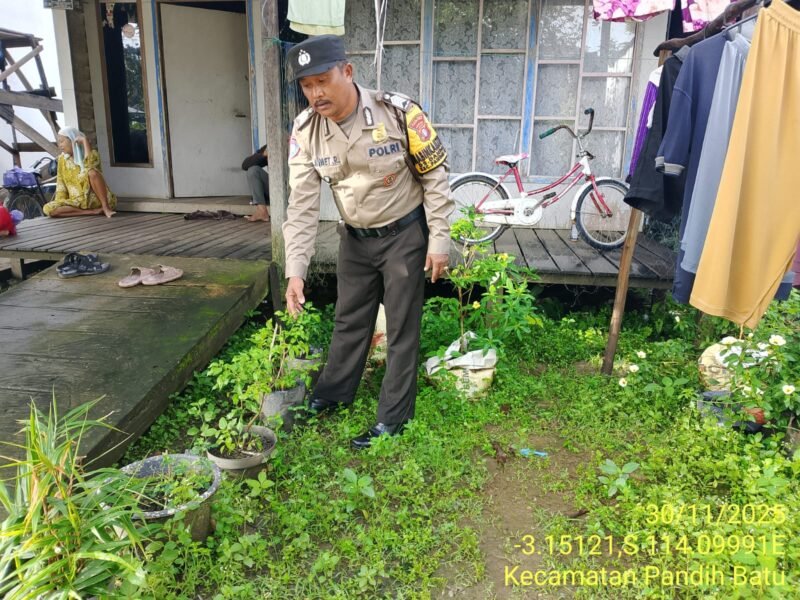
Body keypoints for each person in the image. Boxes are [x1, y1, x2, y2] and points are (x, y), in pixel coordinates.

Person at [283, 35, 454, 449]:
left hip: (404, 236)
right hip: (355, 239)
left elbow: (435, 177)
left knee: (400, 327)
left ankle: (393, 418)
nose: (316, 93)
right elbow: (302, 206)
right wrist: (295, 271)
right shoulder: (306, 130)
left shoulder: (399, 112)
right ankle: (333, 393)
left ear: (348, 71)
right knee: (349, 319)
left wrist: (439, 242)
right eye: (306, 85)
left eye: (323, 80)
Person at [43, 127, 117, 218]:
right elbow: (61, 183)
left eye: (62, 141)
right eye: (59, 142)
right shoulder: (62, 160)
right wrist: (59, 203)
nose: (60, 145)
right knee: (48, 209)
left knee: (92, 172)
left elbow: (90, 166)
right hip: (77, 203)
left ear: (72, 140)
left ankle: (106, 208)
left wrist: (84, 141)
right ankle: (92, 212)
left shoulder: (92, 154)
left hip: (95, 200)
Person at [242, 145, 270, 222]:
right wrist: (263, 155)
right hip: (275, 189)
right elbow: (245, 165)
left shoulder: (298, 143)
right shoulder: (270, 146)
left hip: (296, 189)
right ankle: (262, 211)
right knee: (253, 170)